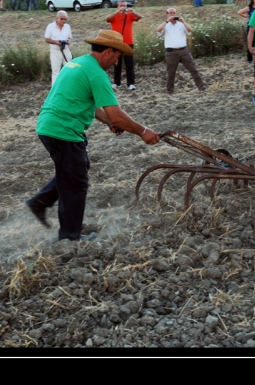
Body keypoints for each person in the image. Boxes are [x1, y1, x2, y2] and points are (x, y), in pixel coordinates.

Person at [25, 30, 161, 241]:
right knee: (76, 183)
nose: (117, 62)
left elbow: (91, 105)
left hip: (50, 126)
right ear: (108, 51)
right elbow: (116, 113)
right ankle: (70, 237)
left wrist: (109, 122)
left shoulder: (77, 64)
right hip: (63, 130)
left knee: (74, 170)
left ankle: (41, 201)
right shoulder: (96, 73)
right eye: (117, 57)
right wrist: (143, 131)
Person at [158, 8, 207, 94]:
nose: (172, 14)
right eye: (170, 13)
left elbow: (189, 30)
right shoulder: (166, 25)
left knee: (193, 69)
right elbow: (158, 30)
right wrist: (167, 21)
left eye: (174, 13)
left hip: (183, 50)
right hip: (171, 52)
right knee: (171, 72)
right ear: (167, 14)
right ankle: (170, 91)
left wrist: (183, 22)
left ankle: (202, 88)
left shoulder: (181, 24)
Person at [106, 1, 143, 90]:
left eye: (124, 6)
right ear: (118, 6)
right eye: (121, 5)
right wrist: (117, 12)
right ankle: (117, 82)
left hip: (128, 42)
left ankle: (130, 83)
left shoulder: (130, 15)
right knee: (117, 63)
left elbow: (140, 17)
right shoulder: (114, 15)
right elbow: (107, 19)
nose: (123, 7)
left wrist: (133, 11)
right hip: (117, 43)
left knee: (129, 63)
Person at [45, 10, 73, 86]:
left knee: (69, 68)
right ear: (57, 18)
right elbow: (47, 39)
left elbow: (70, 37)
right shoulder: (50, 26)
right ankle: (55, 88)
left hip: (66, 49)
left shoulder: (67, 26)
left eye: (65, 19)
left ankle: (69, 86)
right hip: (55, 51)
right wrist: (55, 42)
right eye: (62, 19)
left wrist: (69, 41)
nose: (63, 21)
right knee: (55, 71)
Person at [238, 0, 255, 64]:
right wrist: (246, 17)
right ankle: (249, 59)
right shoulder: (249, 8)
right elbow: (239, 12)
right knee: (250, 42)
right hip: (251, 27)